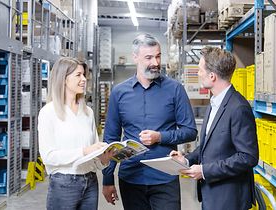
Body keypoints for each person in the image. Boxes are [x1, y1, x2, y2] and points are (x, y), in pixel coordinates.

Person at [102, 33, 197, 210]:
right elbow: (110, 140)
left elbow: (190, 131)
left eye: (158, 56)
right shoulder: (119, 93)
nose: (155, 62)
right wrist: (108, 179)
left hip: (165, 177)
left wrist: (160, 137)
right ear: (135, 57)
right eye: (149, 57)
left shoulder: (175, 89)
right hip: (131, 178)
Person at [170, 47, 259, 210]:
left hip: (229, 198)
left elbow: (248, 157)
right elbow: (208, 146)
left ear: (212, 76)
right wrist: (187, 159)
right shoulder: (215, 103)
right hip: (212, 194)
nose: (197, 73)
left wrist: (205, 171)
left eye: (200, 70)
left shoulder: (238, 108)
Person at [38, 57, 114, 210]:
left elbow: (93, 155)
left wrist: (103, 160)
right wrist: (84, 151)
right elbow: (49, 156)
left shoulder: (87, 112)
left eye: (84, 75)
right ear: (64, 79)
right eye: (78, 75)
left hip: (90, 183)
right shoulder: (49, 112)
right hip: (63, 185)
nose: (84, 79)